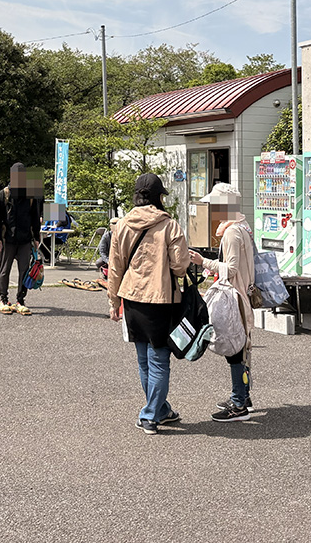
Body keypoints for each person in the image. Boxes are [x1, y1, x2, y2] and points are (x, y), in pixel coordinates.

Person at [108, 173, 190, 434]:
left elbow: (114, 268)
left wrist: (113, 303)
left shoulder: (121, 225)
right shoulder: (169, 226)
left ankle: (160, 409)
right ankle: (150, 416)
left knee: (144, 361)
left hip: (132, 299)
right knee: (159, 362)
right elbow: (180, 266)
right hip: (161, 299)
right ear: (158, 197)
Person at [189, 182, 256, 422]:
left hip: (233, 296)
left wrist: (202, 261)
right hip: (242, 293)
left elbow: (232, 268)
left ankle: (238, 404)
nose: (212, 211)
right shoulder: (243, 226)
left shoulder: (231, 232)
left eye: (215, 206)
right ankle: (243, 396)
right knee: (242, 348)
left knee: (234, 350)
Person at [0, 163, 41, 315]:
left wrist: (37, 237)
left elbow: (35, 217)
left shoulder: (31, 196)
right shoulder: (4, 194)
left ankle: (20, 300)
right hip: (8, 238)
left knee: (24, 271)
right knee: (4, 270)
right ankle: (3, 299)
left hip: (25, 239)